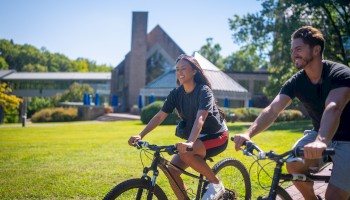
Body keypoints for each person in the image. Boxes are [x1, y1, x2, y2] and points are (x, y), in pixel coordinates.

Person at [233, 26, 350, 200]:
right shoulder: (297, 82)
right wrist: (248, 133)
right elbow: (273, 109)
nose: (294, 54)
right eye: (292, 50)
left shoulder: (341, 74)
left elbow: (333, 107)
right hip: (320, 134)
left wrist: (321, 141)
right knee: (293, 164)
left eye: (299, 49)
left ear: (316, 50)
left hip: (347, 139)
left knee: (334, 196)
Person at [128, 54, 229, 200]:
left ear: (194, 71)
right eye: (177, 69)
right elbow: (160, 116)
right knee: (172, 171)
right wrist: (140, 135)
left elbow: (200, 118)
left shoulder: (203, 91)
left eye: (184, 68)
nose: (179, 72)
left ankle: (216, 183)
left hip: (217, 136)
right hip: (197, 137)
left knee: (186, 153)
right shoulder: (176, 93)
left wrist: (190, 143)